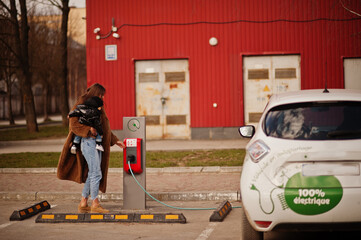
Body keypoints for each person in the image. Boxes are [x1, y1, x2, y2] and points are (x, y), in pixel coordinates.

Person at [57, 83, 125, 213]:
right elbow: (74, 125)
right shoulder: (82, 103)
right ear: (96, 93)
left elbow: (103, 128)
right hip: (88, 142)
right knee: (96, 173)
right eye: (101, 95)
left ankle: (83, 202)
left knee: (92, 173)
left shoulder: (96, 104)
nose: (103, 98)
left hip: (97, 143)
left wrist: (116, 141)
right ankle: (95, 203)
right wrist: (89, 130)